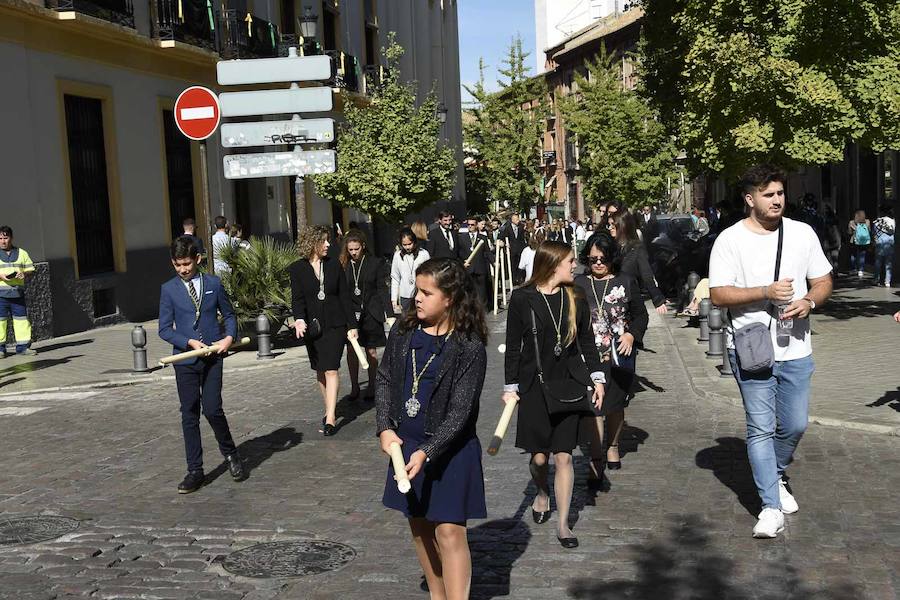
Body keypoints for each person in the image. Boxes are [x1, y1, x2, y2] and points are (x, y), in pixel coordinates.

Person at [709, 164, 833, 539]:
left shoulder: (802, 233)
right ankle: (769, 507)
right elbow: (718, 294)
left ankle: (775, 473)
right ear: (750, 199)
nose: (777, 199)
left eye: (780, 193)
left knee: (795, 424)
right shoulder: (730, 240)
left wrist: (810, 301)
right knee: (760, 428)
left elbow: (824, 280)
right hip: (751, 348)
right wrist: (764, 291)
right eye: (769, 194)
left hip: (796, 347)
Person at [377, 258, 488, 600]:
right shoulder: (403, 331)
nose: (417, 298)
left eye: (426, 292)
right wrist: (384, 427)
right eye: (416, 289)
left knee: (450, 532)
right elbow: (384, 379)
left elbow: (460, 411)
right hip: (406, 445)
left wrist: (429, 450)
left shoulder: (469, 346)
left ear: (450, 298)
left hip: (450, 450)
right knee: (420, 526)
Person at [503, 241, 604, 548]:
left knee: (564, 457)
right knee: (538, 458)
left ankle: (563, 525)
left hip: (569, 385)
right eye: (571, 261)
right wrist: (510, 388)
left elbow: (587, 342)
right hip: (534, 385)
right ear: (554, 263)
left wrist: (597, 378)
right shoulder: (523, 298)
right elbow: (513, 347)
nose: (575, 265)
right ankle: (542, 492)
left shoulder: (575, 296)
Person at [158, 236, 244, 493]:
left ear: (198, 259)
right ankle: (195, 470)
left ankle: (230, 454)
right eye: (177, 265)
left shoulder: (214, 284)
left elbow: (229, 314)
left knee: (213, 409)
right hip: (185, 360)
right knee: (189, 413)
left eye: (186, 264)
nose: (183, 269)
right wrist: (188, 342)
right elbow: (164, 329)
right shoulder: (168, 289)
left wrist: (229, 337)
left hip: (213, 357)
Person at [575, 232, 648, 483]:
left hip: (619, 355)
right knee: (594, 406)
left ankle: (613, 445)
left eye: (602, 258)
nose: (597, 263)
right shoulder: (578, 284)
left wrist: (631, 335)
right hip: (588, 355)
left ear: (612, 258)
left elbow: (641, 315)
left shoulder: (626, 281)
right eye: (593, 258)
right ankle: (596, 457)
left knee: (615, 404)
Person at [289, 226, 359, 436]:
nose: (329, 245)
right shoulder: (297, 269)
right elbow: (297, 299)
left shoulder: (334, 265)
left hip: (335, 324)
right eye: (324, 241)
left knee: (331, 369)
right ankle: (329, 406)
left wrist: (352, 326)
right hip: (313, 327)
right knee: (320, 370)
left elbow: (344, 296)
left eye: (329, 241)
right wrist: (299, 320)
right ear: (312, 243)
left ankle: (330, 416)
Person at [341, 230, 393, 400]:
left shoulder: (375, 263)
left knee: (371, 351)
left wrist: (389, 313)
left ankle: (372, 385)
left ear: (362, 246)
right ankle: (355, 386)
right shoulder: (344, 264)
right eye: (350, 250)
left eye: (356, 249)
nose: (353, 253)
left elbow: (382, 290)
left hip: (371, 311)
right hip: (350, 313)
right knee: (351, 350)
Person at [611, 212, 668, 315]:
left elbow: (646, 275)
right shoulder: (611, 247)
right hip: (610, 301)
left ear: (623, 227)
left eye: (613, 225)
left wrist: (657, 298)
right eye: (609, 224)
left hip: (628, 301)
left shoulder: (636, 249)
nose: (610, 228)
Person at [0, 226, 36, 356]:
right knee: (0, 322)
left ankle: (23, 347)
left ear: (11, 238)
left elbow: (31, 269)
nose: (3, 241)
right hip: (1, 296)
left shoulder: (22, 253)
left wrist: (24, 274)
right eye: (0, 238)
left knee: (21, 321)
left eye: (5, 238)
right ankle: (0, 349)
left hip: (17, 295)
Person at [391, 228, 431, 313]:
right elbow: (395, 277)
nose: (408, 247)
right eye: (404, 245)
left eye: (410, 244)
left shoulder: (423, 254)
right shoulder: (397, 256)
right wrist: (394, 299)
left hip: (420, 294)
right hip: (404, 295)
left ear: (414, 242)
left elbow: (429, 275)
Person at [458, 216, 491, 305]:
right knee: (469, 292)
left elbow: (488, 252)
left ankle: (483, 310)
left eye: (472, 225)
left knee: (481, 292)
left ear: (476, 225)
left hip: (480, 268)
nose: (470, 226)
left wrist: (495, 262)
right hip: (468, 269)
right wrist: (462, 263)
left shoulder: (482, 238)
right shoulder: (461, 238)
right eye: (468, 225)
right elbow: (459, 253)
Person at [499, 214, 527, 285]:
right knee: (512, 265)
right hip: (511, 250)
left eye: (518, 219)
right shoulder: (507, 228)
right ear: (512, 220)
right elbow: (502, 237)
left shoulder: (521, 227)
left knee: (519, 265)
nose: (518, 220)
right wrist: (505, 244)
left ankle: (519, 278)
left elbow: (522, 239)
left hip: (519, 249)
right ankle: (513, 280)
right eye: (517, 219)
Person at [873, 205, 894, 287]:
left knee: (878, 262)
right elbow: (892, 231)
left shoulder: (877, 221)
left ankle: (876, 279)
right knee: (888, 263)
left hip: (879, 242)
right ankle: (887, 281)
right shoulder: (892, 221)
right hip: (889, 242)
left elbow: (874, 232)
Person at [848, 210, 872, 278]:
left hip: (854, 241)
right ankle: (860, 270)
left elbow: (849, 232)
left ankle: (854, 268)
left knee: (853, 255)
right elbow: (869, 231)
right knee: (862, 255)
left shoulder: (851, 222)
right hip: (864, 241)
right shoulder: (867, 222)